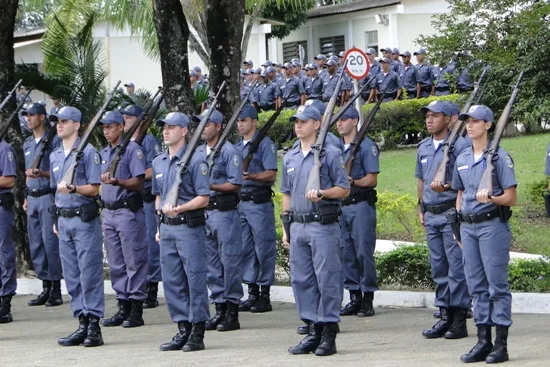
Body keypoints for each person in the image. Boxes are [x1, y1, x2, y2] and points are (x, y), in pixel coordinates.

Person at [281, 105, 350, 356]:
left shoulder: (330, 155)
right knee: (301, 280)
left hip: (322, 224)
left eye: (304, 121)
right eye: (296, 122)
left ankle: (328, 332)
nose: (298, 125)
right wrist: (285, 226)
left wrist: (323, 193)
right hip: (298, 225)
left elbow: (344, 189)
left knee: (327, 279)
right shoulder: (289, 157)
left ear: (317, 124)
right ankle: (312, 329)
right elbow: (286, 194)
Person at [452, 105, 517, 364]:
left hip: (492, 226)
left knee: (496, 286)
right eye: (467, 121)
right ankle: (483, 340)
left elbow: (511, 197)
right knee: (476, 286)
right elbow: (459, 194)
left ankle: (500, 344)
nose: (469, 125)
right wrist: (457, 224)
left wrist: (493, 197)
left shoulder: (500, 157)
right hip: (468, 228)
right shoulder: (463, 157)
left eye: (476, 121)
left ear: (488, 125)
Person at [152, 112, 210, 352]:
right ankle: (182, 327)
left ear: (184, 131)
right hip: (167, 229)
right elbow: (158, 196)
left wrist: (181, 208)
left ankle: (197, 330)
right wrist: (160, 221)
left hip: (188, 227)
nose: (166, 131)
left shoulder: (196, 160)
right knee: (173, 280)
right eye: (164, 127)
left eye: (172, 127)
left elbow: (204, 197)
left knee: (194, 279)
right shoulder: (158, 161)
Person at [416, 101, 471, 341]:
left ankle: (459, 317)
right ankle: (444, 313)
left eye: (435, 116)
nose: (429, 120)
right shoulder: (423, 147)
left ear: (449, 119)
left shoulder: (461, 146)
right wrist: (420, 206)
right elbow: (420, 179)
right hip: (431, 213)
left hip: (450, 213)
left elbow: (466, 182)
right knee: (438, 266)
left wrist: (448, 187)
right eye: (427, 116)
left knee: (456, 267)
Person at [49, 106, 104, 347]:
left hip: (83, 219)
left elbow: (94, 187)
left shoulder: (88, 153)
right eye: (57, 121)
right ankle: (81, 321)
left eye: (65, 121)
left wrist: (74, 188)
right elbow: (55, 190)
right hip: (64, 219)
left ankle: (94, 325)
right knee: (71, 274)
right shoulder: (54, 155)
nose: (60, 125)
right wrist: (55, 219)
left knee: (89, 271)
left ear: (77, 125)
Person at [98, 110, 148, 329]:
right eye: (104, 127)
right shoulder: (104, 153)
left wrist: (117, 182)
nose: (106, 131)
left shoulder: (132, 150)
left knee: (133, 260)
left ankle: (136, 308)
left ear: (121, 127)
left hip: (127, 211)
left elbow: (138, 182)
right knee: (116, 262)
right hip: (108, 212)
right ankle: (122, 305)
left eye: (110, 126)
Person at [195, 109, 244, 332]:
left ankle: (232, 311)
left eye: (208, 124)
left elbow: (235, 184)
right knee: (212, 263)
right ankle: (219, 308)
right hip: (205, 213)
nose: (203, 127)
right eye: (201, 124)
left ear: (218, 127)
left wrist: (210, 186)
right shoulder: (197, 153)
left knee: (229, 261)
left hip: (224, 212)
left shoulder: (229, 151)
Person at [336, 106, 380, 318]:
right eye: (338, 119)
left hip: (360, 204)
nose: (339, 123)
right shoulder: (335, 147)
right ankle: (354, 296)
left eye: (344, 119)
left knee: (363, 252)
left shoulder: (366, 146)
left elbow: (372, 179)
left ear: (355, 121)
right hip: (341, 206)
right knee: (347, 253)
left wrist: (353, 181)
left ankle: (368, 298)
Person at [235, 105, 278, 313]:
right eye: (239, 121)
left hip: (259, 203)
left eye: (244, 120)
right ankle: (251, 292)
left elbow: (271, 174)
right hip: (241, 204)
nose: (241, 124)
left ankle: (264, 295)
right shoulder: (236, 147)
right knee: (246, 249)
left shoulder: (264, 144)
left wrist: (251, 176)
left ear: (254, 122)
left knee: (264, 248)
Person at [121, 105, 163, 309]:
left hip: (145, 198)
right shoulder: (123, 143)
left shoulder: (148, 140)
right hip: (127, 201)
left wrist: (134, 175)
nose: (125, 121)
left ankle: (152, 288)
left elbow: (155, 167)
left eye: (128, 118)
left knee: (149, 243)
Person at [22, 103, 63, 308]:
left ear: (43, 117)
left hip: (48, 195)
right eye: (27, 115)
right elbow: (27, 174)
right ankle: (45, 285)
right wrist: (27, 196)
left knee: (50, 243)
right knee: (36, 244)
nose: (28, 119)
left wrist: (42, 173)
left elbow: (59, 170)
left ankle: (55, 288)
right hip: (34, 196)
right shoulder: (28, 143)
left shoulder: (54, 141)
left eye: (32, 115)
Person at [0, 133, 17, 324]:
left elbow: (9, 180)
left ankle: (6, 302)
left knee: (4, 254)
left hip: (1, 208)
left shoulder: (4, 149)